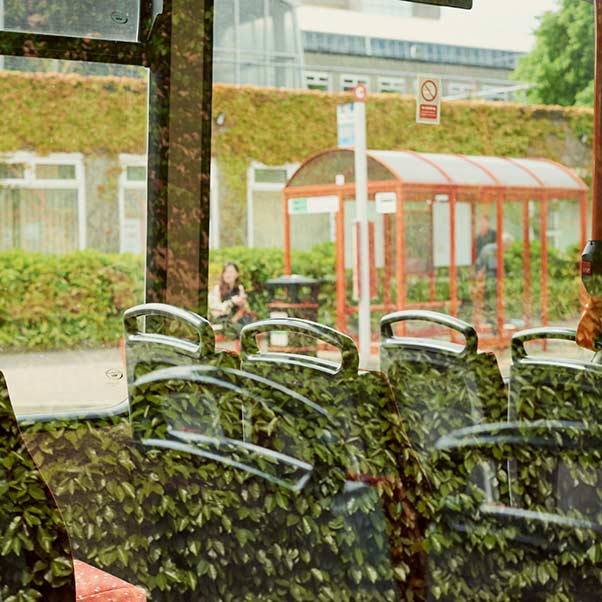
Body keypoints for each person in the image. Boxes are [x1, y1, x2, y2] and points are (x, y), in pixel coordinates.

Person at [474, 233, 513, 333]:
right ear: (504, 243)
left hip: (487, 281)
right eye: (508, 246)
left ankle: (494, 325)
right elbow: (493, 270)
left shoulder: (491, 248)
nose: (508, 248)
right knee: (493, 304)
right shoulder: (493, 251)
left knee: (491, 305)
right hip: (490, 281)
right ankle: (496, 328)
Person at [209, 262, 254, 335]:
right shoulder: (217, 289)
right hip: (222, 321)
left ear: (237, 274)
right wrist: (231, 302)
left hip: (237, 319)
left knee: (249, 325)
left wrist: (242, 303)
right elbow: (215, 311)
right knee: (243, 329)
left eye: (231, 271)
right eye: (225, 271)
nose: (228, 274)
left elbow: (246, 309)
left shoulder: (239, 288)